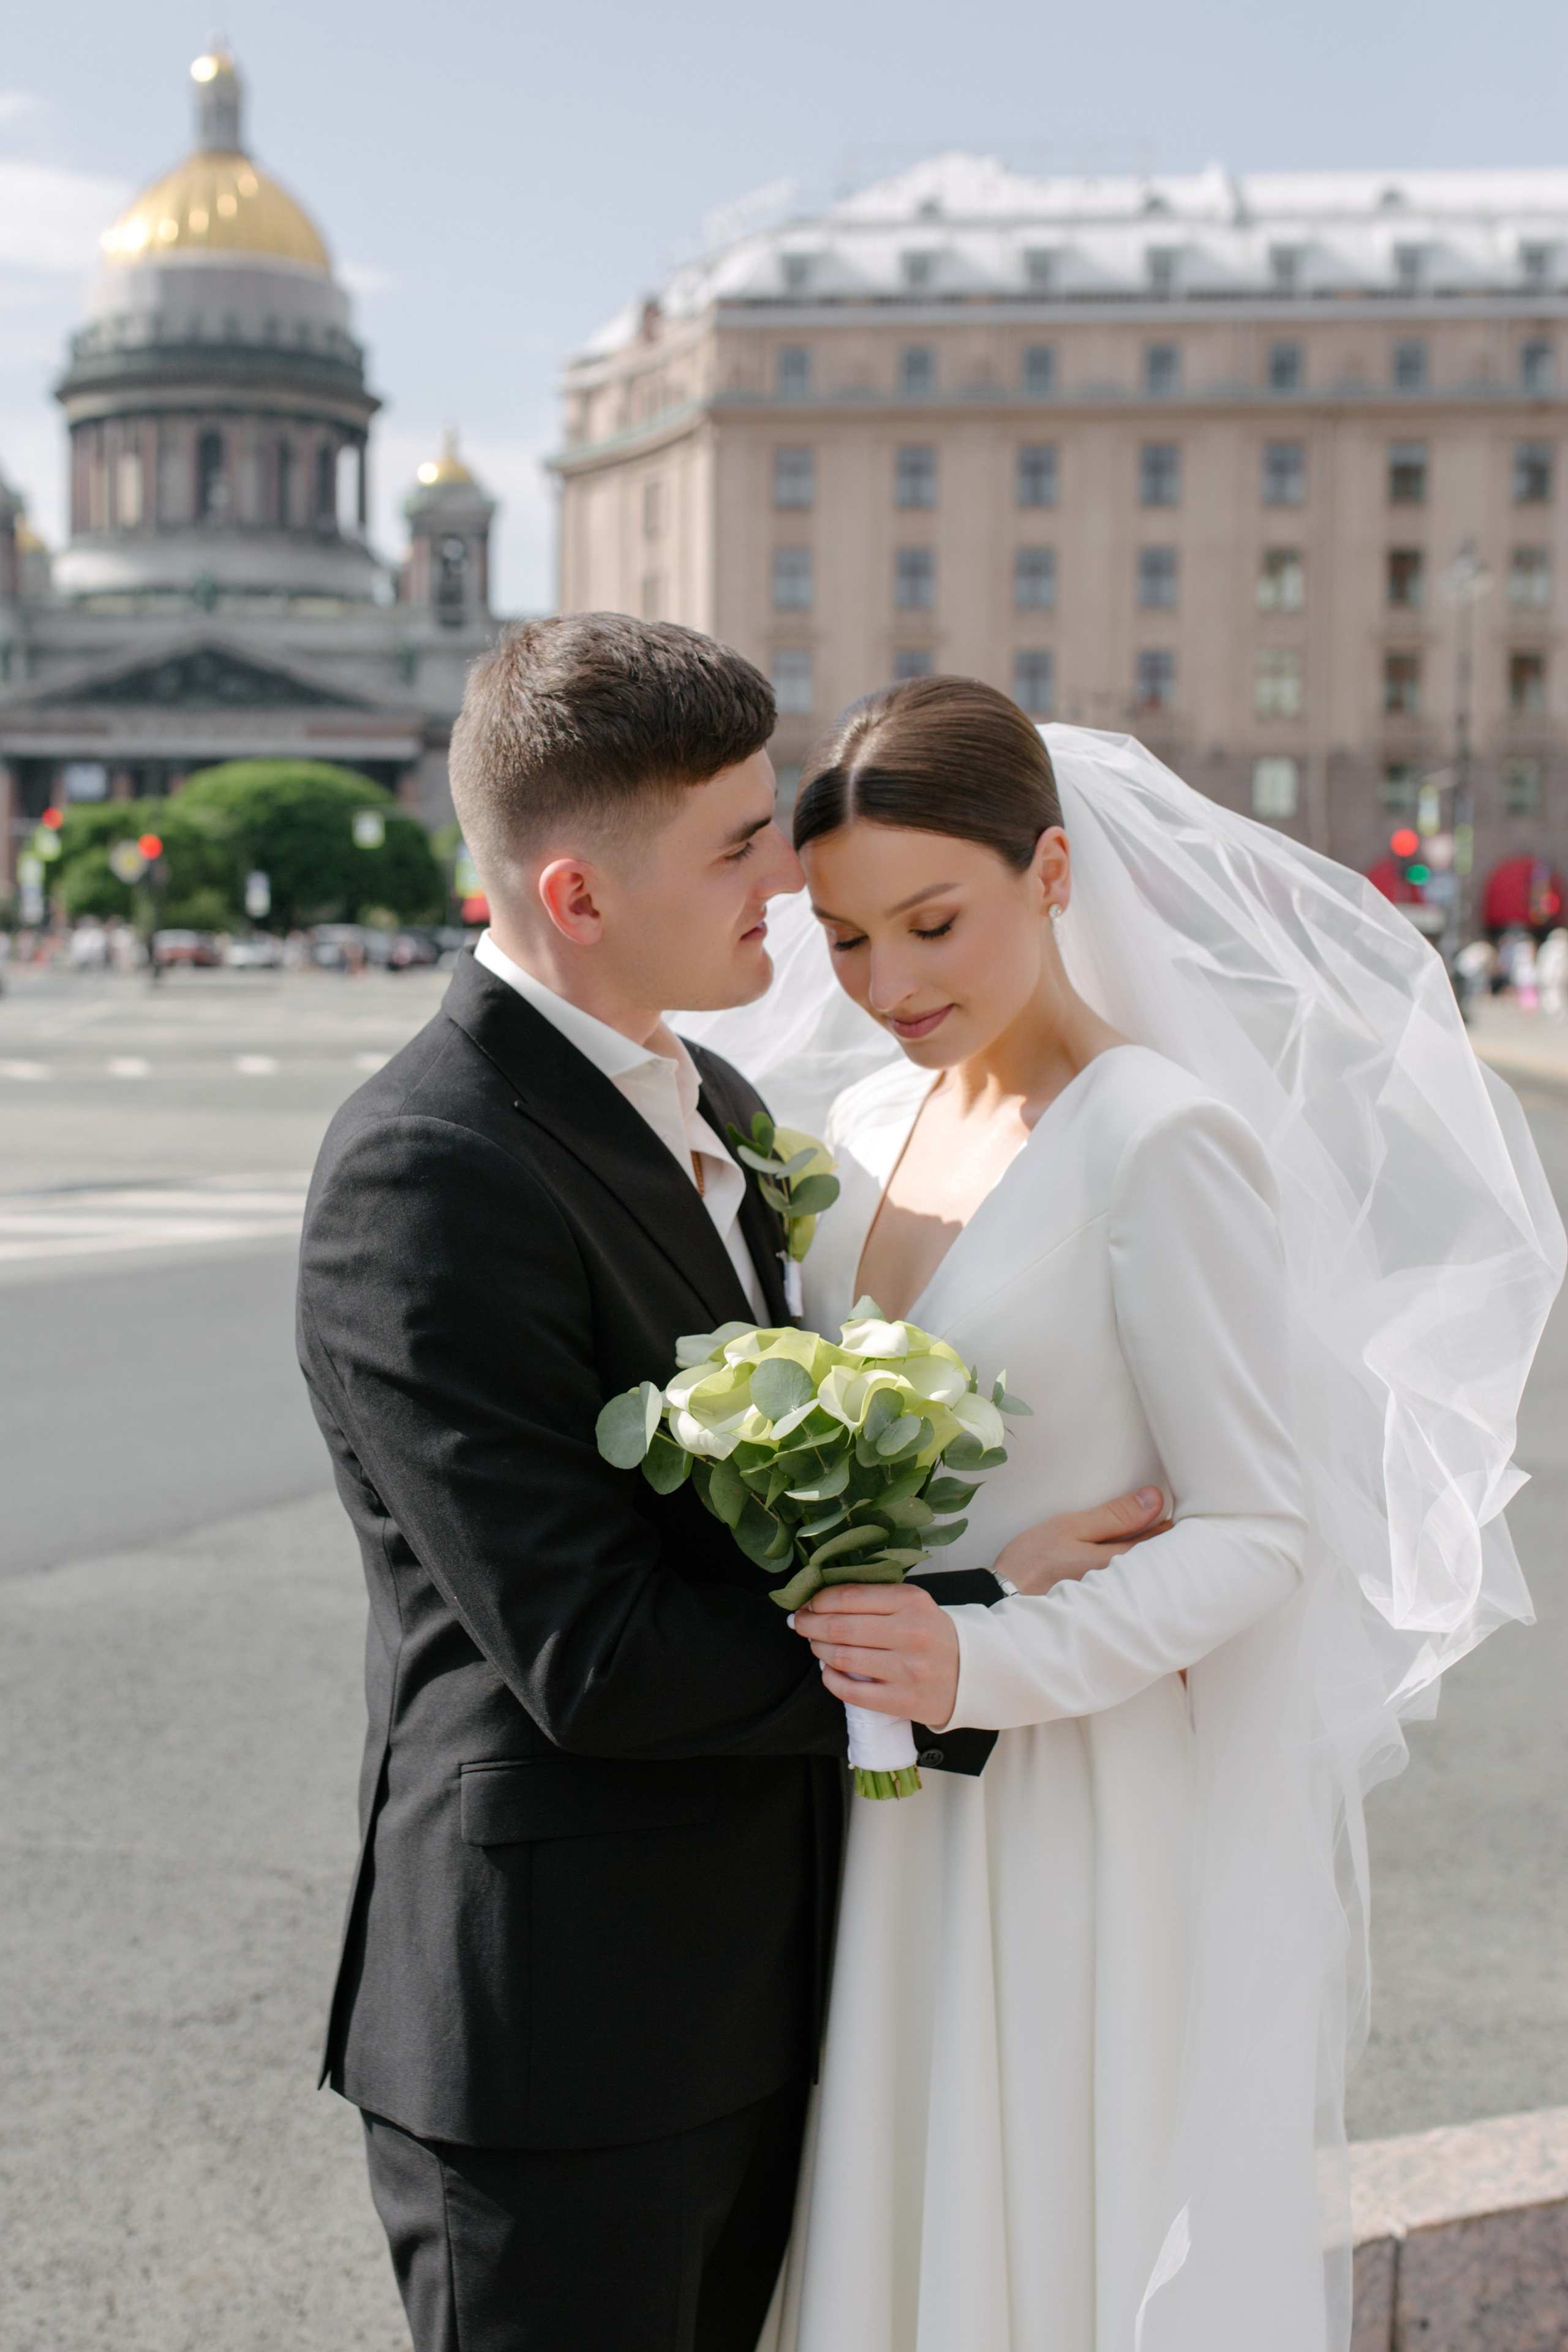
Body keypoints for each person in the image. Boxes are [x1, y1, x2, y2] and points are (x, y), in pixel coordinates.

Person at [295, 619, 1165, 2352]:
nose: (788, 868)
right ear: (580, 895)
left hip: (766, 1985)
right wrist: (979, 1623)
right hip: (563, 2032)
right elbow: (592, 1653)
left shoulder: (726, 1102)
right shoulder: (429, 1173)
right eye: (738, 843)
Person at [685, 677, 1559, 2352]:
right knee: (886, 2212)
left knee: (1048, 2236)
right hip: (876, 1791)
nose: (890, 986)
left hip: (1067, 1795)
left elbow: (1259, 1530)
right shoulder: (863, 1128)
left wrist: (993, 1652)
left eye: (933, 923)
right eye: (852, 941)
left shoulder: (1162, 1141)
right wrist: (941, 1601)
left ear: (1057, 874)